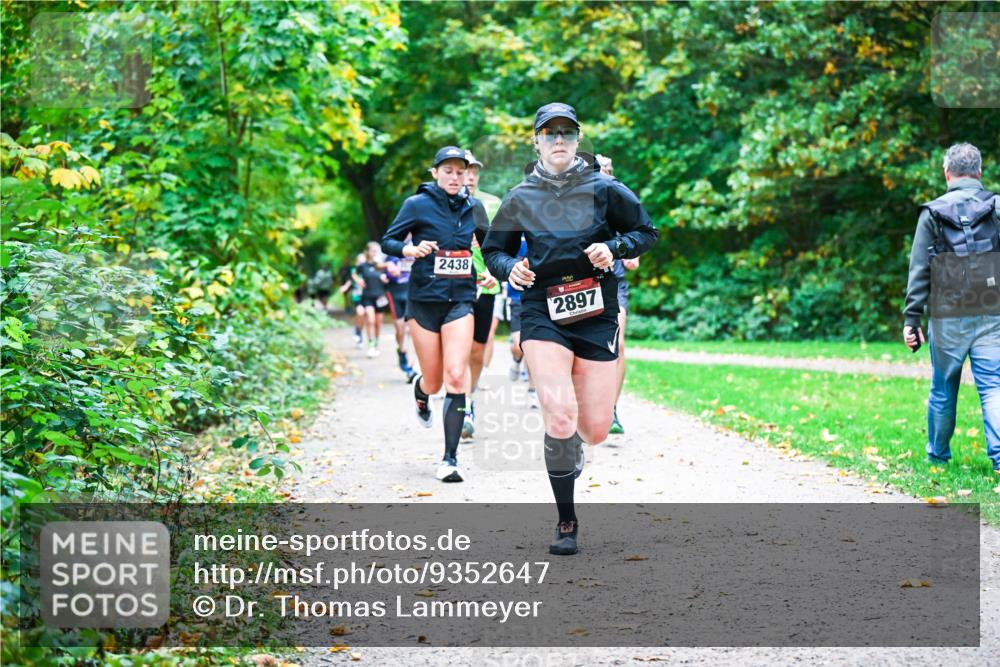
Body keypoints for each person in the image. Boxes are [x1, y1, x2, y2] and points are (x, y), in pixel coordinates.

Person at [483, 103, 658, 554]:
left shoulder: (605, 187)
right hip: (543, 309)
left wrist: (613, 247)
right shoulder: (519, 196)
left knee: (595, 429)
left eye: (567, 132)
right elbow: (494, 251)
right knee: (559, 416)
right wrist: (511, 270)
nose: (558, 140)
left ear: (578, 139)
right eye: (549, 133)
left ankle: (574, 446)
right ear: (536, 141)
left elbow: (645, 232)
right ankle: (566, 522)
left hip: (596, 309)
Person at [382, 146, 489, 483]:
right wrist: (409, 249)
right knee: (435, 380)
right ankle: (421, 390)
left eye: (461, 172)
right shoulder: (417, 205)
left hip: (460, 300)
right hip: (424, 301)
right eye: (449, 171)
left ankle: (450, 459)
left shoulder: (477, 207)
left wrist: (492, 270)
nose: (455, 177)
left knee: (456, 377)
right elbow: (389, 240)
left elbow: (493, 247)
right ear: (435, 172)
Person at [904, 142, 1000, 475]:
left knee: (943, 387)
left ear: (947, 173)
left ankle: (938, 459)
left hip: (947, 315)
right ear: (980, 172)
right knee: (994, 386)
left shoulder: (932, 213)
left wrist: (911, 317)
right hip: (992, 309)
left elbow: (919, 269)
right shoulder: (996, 206)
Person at [595, 154, 640, 435]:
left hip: (615, 284)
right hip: (584, 285)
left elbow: (636, 234)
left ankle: (611, 409)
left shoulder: (619, 202)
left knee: (618, 346)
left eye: (606, 172)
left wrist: (633, 257)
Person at [463, 151, 502, 439]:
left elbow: (503, 245)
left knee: (477, 350)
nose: (471, 176)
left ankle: (468, 398)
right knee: (457, 347)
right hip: (454, 285)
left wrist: (495, 272)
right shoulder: (441, 205)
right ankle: (460, 400)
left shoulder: (492, 203)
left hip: (487, 285)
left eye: (475, 170)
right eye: (466, 170)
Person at [384, 245, 418, 382]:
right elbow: (383, 270)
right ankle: (401, 350)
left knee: (411, 328)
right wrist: (389, 272)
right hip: (395, 293)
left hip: (411, 292)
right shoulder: (393, 251)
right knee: (400, 329)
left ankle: (411, 367)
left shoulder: (418, 248)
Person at [357, 242, 390, 358]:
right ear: (367, 252)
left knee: (378, 324)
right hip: (367, 297)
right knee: (370, 320)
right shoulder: (363, 266)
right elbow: (354, 274)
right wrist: (358, 280)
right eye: (373, 250)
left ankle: (376, 345)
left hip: (380, 297)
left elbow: (391, 274)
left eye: (377, 251)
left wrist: (386, 278)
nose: (375, 253)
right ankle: (370, 346)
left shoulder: (381, 266)